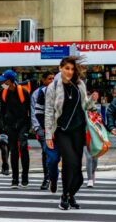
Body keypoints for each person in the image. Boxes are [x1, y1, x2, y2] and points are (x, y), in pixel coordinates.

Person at [45, 56, 93, 210]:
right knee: (70, 162)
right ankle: (65, 195)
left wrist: (93, 101)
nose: (70, 72)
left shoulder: (79, 85)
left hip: (79, 130)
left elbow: (86, 105)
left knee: (77, 170)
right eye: (67, 68)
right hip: (62, 131)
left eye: (72, 69)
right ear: (60, 68)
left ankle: (70, 195)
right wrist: (48, 135)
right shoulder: (53, 87)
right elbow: (48, 112)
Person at [0, 69, 31, 188]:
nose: (2, 83)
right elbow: (2, 111)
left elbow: (30, 110)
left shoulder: (23, 92)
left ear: (10, 81)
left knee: (23, 147)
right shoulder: (3, 92)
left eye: (4, 81)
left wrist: (29, 127)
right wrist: (4, 126)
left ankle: (25, 177)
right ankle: (15, 179)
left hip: (23, 124)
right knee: (13, 151)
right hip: (10, 126)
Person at [31, 70, 55, 190]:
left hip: (56, 128)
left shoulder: (58, 91)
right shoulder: (37, 94)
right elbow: (34, 112)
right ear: (43, 80)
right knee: (46, 152)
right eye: (49, 79)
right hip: (42, 128)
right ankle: (47, 178)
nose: (51, 81)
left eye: (53, 78)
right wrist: (37, 128)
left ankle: (53, 176)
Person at [84, 90, 100, 188]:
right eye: (92, 95)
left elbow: (101, 122)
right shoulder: (83, 108)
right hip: (85, 135)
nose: (94, 96)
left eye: (96, 95)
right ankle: (90, 179)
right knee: (89, 157)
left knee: (95, 159)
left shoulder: (97, 108)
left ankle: (93, 173)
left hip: (95, 136)